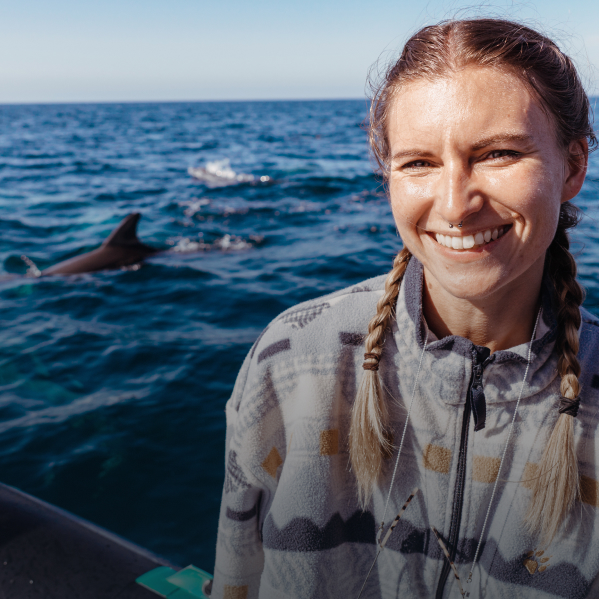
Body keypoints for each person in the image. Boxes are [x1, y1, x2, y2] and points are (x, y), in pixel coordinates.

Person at [211, 18, 599, 599]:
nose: (455, 204)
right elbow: (236, 578)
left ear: (571, 167)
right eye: (419, 163)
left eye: (497, 153)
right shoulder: (294, 360)